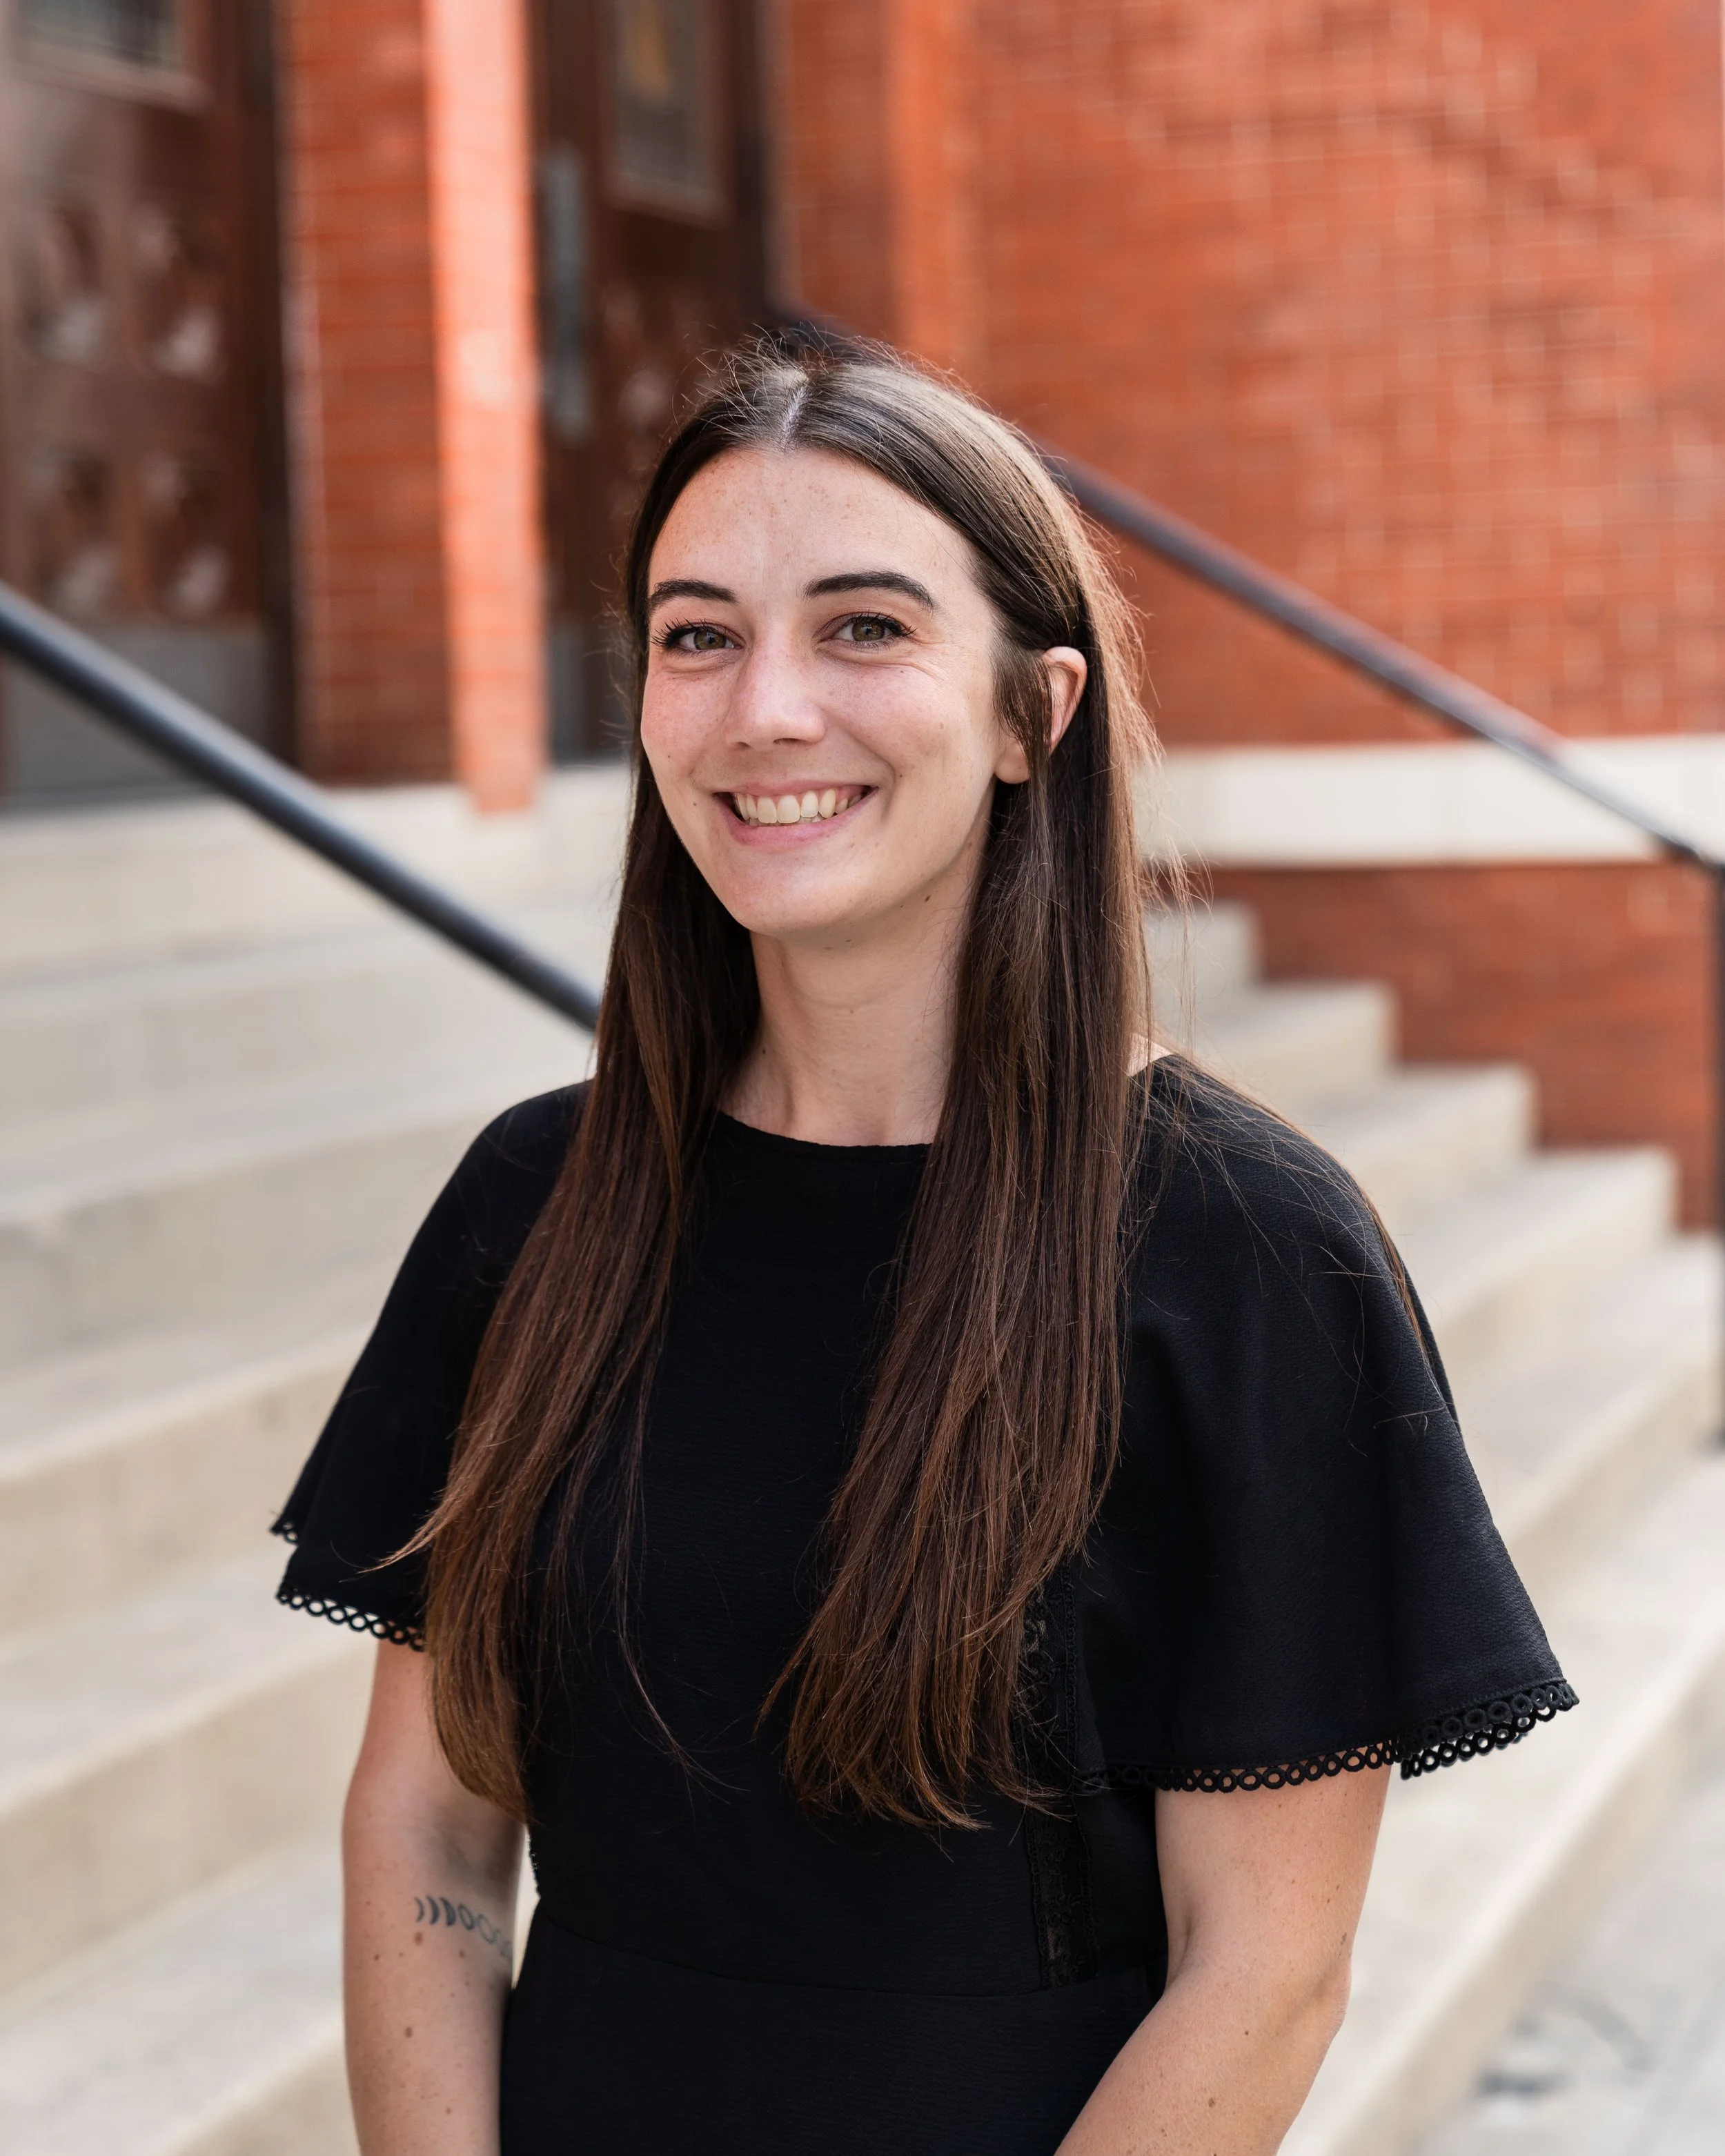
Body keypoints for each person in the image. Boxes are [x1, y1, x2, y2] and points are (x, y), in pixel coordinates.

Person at [274, 338, 1574, 2156]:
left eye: (865, 628)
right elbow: (426, 1823)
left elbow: (1264, 1963)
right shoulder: (532, 1206)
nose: (767, 709)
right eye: (696, 632)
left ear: (1030, 716)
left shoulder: (1249, 1252)